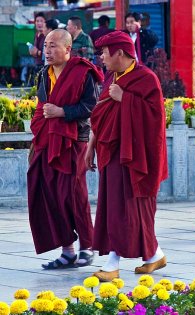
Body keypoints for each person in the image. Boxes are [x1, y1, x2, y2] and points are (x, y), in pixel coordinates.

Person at [86, 31, 168, 281]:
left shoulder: (145, 78)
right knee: (115, 207)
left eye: (104, 52)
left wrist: (126, 99)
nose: (101, 57)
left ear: (119, 53)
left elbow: (156, 120)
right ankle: (154, 255)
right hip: (112, 152)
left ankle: (113, 264)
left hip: (136, 156)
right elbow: (100, 115)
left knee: (129, 209)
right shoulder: (113, 77)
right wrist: (90, 148)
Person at [28, 29, 104, 269]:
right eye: (46, 46)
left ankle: (87, 246)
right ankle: (67, 249)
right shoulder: (45, 73)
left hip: (75, 140)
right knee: (50, 193)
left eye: (53, 46)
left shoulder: (83, 73)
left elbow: (92, 107)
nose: (47, 51)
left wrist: (63, 112)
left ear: (68, 49)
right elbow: (43, 106)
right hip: (48, 139)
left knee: (73, 194)